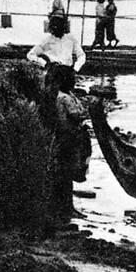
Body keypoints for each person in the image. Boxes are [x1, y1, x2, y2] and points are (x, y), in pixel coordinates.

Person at [41, 63, 89, 225]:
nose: (74, 82)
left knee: (65, 174)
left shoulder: (65, 95)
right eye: (72, 79)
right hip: (67, 138)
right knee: (65, 174)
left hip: (67, 138)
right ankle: (65, 208)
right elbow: (76, 115)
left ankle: (65, 207)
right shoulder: (64, 97)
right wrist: (85, 112)